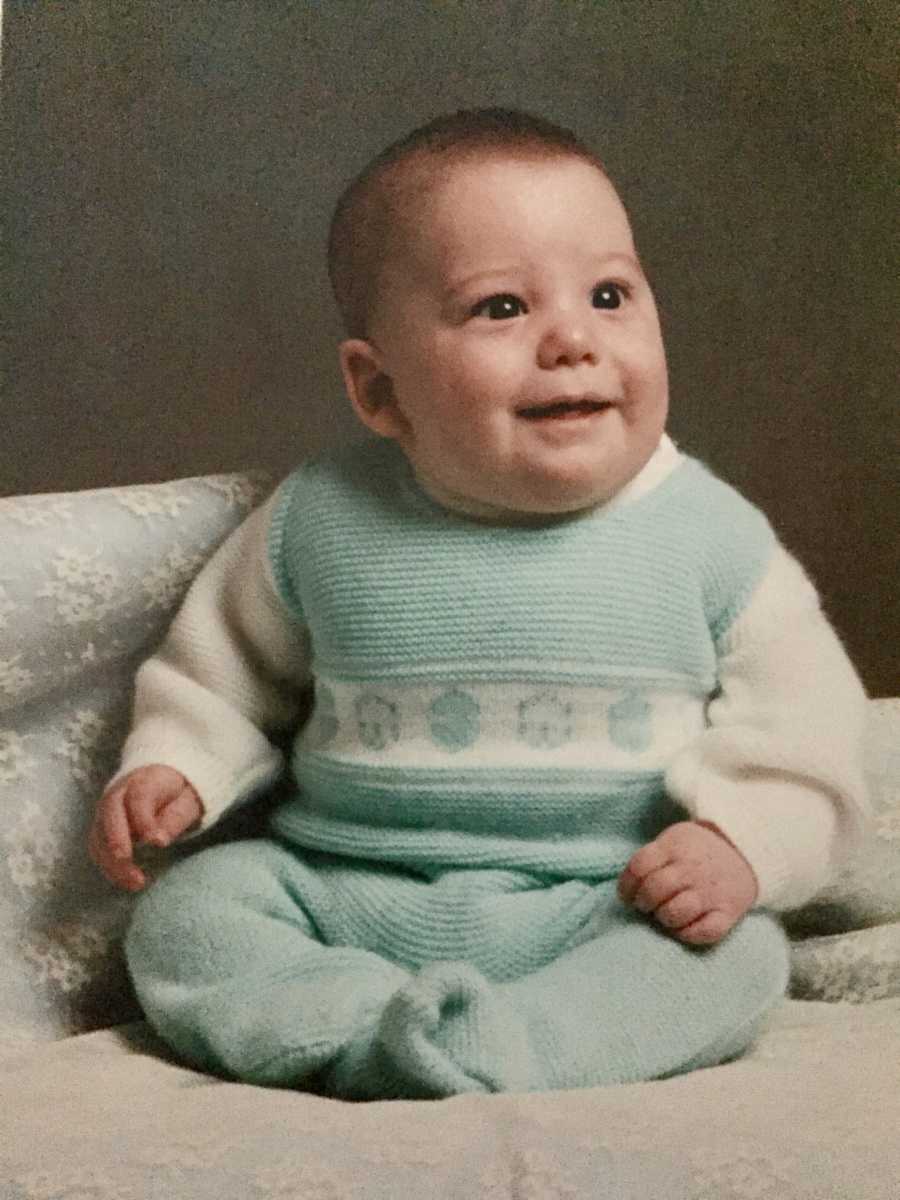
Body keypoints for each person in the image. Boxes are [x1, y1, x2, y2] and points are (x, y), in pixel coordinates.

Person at [89, 107, 868, 1098]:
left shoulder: (711, 536)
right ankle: (360, 1026)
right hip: (344, 886)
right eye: (503, 308)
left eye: (610, 293)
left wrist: (741, 842)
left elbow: (810, 732)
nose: (573, 340)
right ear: (381, 391)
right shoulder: (321, 518)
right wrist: (177, 766)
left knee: (740, 955)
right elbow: (221, 670)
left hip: (602, 902)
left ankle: (522, 1045)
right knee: (187, 917)